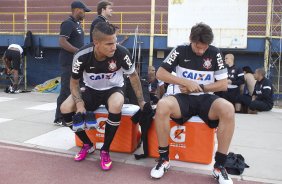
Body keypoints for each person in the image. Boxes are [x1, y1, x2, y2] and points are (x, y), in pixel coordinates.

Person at [150, 23, 235, 184]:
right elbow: (161, 73)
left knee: (228, 109)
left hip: (206, 98)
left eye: (204, 47)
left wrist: (200, 87)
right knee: (161, 106)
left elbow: (223, 84)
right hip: (182, 97)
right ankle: (163, 159)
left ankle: (219, 167)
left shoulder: (215, 52)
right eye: (198, 46)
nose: (201, 51)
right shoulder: (180, 49)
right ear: (191, 40)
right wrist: (185, 82)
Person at [60, 22, 145, 171]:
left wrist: (141, 101)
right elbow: (74, 83)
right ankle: (87, 144)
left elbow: (133, 77)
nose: (114, 46)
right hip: (90, 90)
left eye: (115, 41)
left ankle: (105, 150)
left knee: (117, 103)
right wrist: (79, 104)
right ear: (96, 43)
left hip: (113, 89)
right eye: (109, 43)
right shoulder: (81, 55)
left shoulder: (121, 53)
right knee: (65, 108)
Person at [54, 1, 90, 125]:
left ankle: (71, 113)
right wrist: (77, 52)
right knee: (66, 90)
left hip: (76, 63)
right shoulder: (68, 23)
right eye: (83, 10)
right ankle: (60, 117)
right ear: (76, 9)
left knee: (76, 89)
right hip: (68, 62)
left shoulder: (78, 24)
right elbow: (62, 41)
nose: (85, 13)